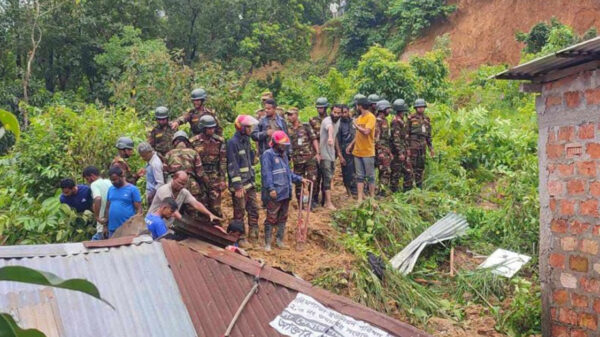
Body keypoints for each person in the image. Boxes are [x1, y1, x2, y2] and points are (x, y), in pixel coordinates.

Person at [261, 131, 308, 251]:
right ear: (275, 143)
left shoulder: (284, 155)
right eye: (282, 144)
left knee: (283, 217)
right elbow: (266, 174)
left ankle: (279, 240)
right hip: (275, 191)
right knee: (271, 217)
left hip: (285, 191)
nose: (284, 146)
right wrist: (271, 188)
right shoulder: (268, 155)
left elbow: (288, 173)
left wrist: (299, 179)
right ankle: (267, 243)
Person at [228, 115, 260, 245]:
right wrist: (237, 186)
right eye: (247, 127)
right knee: (239, 211)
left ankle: (254, 235)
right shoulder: (232, 143)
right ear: (240, 127)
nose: (250, 129)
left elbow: (250, 162)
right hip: (240, 185)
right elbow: (232, 165)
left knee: (254, 209)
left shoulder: (247, 141)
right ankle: (240, 238)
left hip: (250, 183)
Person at [190, 115, 227, 221]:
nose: (211, 130)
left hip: (214, 177)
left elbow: (223, 161)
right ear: (203, 128)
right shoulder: (193, 142)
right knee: (201, 206)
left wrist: (223, 179)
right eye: (209, 128)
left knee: (215, 207)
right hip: (199, 178)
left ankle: (217, 230)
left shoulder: (219, 141)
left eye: (213, 128)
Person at [147, 171, 221, 224]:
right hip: (153, 222)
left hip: (166, 225)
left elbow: (196, 204)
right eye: (179, 183)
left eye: (184, 184)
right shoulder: (164, 190)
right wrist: (186, 223)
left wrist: (209, 214)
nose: (181, 186)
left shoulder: (183, 192)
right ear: (174, 178)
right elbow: (173, 211)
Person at [286, 107, 320, 208]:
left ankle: (311, 202)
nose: (289, 117)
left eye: (291, 114)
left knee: (312, 180)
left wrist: (317, 153)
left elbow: (313, 139)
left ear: (296, 115)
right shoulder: (288, 129)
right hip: (297, 160)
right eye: (288, 115)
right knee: (298, 182)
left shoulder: (305, 126)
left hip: (309, 158)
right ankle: (300, 203)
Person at [346, 97, 377, 202]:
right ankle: (360, 198)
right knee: (359, 176)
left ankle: (372, 197)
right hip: (357, 151)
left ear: (359, 106)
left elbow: (366, 131)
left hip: (367, 151)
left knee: (370, 176)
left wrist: (356, 125)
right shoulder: (359, 118)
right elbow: (358, 134)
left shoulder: (371, 117)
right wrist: (351, 145)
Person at [164, 130, 204, 200]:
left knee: (174, 209)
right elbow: (200, 173)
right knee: (193, 207)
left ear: (175, 142)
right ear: (186, 142)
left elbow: (165, 173)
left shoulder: (168, 154)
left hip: (175, 185)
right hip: (191, 185)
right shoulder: (193, 153)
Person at [104, 166, 142, 238]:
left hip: (127, 229)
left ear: (122, 177)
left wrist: (135, 227)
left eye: (115, 179)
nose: (113, 182)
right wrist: (105, 226)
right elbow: (107, 208)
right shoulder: (111, 189)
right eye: (111, 180)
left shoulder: (132, 189)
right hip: (112, 229)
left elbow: (139, 210)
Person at [407, 98, 435, 188]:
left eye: (422, 107)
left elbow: (428, 135)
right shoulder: (411, 118)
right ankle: (409, 186)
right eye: (419, 107)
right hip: (413, 144)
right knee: (411, 165)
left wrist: (431, 148)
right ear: (415, 108)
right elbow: (406, 133)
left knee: (420, 165)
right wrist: (407, 147)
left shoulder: (427, 119)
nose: (421, 109)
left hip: (422, 145)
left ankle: (419, 185)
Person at [319, 104, 341, 210]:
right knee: (327, 178)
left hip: (332, 154)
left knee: (329, 177)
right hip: (324, 154)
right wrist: (330, 138)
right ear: (331, 111)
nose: (336, 115)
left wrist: (338, 152)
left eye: (338, 113)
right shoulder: (327, 120)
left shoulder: (338, 121)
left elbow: (335, 136)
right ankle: (328, 203)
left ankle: (324, 201)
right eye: (334, 112)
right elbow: (330, 128)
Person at [82, 166, 112, 240]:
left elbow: (98, 198)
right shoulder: (109, 181)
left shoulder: (94, 184)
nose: (87, 181)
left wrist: (97, 217)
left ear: (92, 176)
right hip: (112, 219)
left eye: (87, 179)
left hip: (102, 222)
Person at [309, 97, 329, 207]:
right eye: (318, 107)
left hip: (327, 150)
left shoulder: (330, 119)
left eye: (321, 107)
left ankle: (325, 198)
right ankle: (315, 198)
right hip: (316, 151)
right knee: (315, 176)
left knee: (326, 175)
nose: (319, 109)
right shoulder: (313, 120)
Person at [390, 99, 412, 192]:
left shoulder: (401, 120)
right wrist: (400, 153)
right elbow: (396, 138)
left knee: (407, 171)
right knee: (396, 172)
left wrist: (407, 149)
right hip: (398, 151)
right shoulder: (396, 121)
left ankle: (406, 191)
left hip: (403, 149)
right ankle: (394, 191)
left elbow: (404, 137)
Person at [337, 104, 357, 197]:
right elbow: (337, 140)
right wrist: (340, 155)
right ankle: (349, 192)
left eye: (345, 112)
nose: (343, 114)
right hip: (344, 150)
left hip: (355, 150)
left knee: (356, 171)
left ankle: (356, 191)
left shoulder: (354, 121)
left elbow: (357, 134)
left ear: (348, 111)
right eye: (342, 113)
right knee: (346, 172)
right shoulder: (338, 124)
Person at [375, 99, 393, 196]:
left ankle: (381, 190)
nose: (389, 111)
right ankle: (381, 192)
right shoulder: (377, 122)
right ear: (383, 109)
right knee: (385, 170)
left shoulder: (385, 121)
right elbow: (376, 139)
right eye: (388, 109)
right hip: (381, 150)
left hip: (386, 149)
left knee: (384, 171)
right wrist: (380, 151)